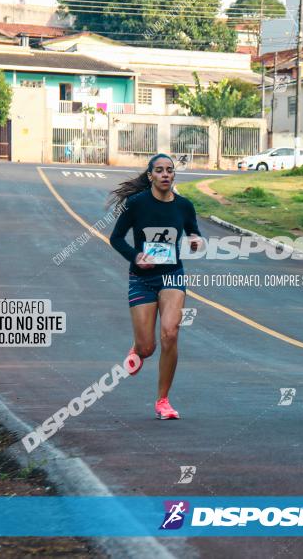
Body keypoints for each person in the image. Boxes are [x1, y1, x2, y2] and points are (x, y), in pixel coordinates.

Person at [109, 154, 202, 419]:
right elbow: (115, 238)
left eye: (169, 170)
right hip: (142, 279)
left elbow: (193, 231)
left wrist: (196, 240)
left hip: (173, 275)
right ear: (150, 175)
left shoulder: (184, 206)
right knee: (147, 348)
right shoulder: (136, 204)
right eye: (159, 170)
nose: (165, 174)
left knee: (170, 333)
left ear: (174, 175)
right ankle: (137, 349)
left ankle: (163, 400)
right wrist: (135, 256)